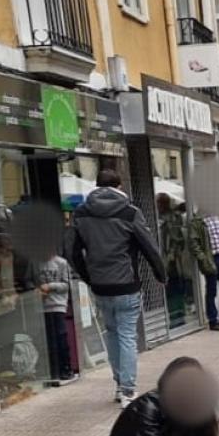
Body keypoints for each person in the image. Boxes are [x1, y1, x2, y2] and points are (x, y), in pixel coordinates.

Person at [66, 169, 166, 407]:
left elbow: (71, 251)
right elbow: (148, 246)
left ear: (97, 186)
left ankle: (119, 383)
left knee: (111, 333)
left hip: (100, 285)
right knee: (127, 335)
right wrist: (161, 274)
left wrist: (88, 277)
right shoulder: (129, 212)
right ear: (119, 186)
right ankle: (127, 390)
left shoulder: (81, 212)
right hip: (126, 284)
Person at [35, 245, 75, 382]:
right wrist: (36, 290)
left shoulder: (61, 263)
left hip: (58, 305)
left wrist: (50, 286)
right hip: (42, 307)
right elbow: (29, 280)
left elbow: (67, 285)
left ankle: (66, 369)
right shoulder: (36, 263)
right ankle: (53, 371)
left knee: (60, 337)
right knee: (48, 340)